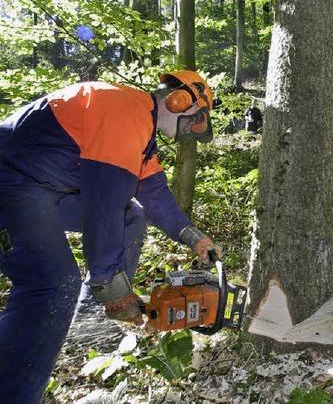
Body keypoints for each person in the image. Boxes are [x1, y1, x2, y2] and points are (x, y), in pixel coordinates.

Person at [0, 70, 221, 403]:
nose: (192, 131)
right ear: (181, 101)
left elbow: (155, 196)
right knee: (51, 283)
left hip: (42, 186)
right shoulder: (126, 114)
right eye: (196, 120)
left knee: (132, 215)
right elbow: (103, 205)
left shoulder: (140, 132)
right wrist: (111, 285)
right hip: (11, 182)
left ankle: (90, 323)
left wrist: (194, 238)